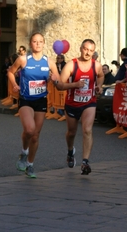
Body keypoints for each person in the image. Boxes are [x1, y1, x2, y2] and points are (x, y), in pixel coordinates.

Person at [7, 33, 60, 178]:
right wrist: (15, 85)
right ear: (30, 44)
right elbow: (11, 73)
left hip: (41, 100)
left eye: (40, 42)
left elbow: (58, 80)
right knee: (29, 130)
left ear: (44, 44)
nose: (37, 44)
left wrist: (54, 79)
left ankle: (30, 164)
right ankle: (24, 153)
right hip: (25, 99)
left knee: (36, 135)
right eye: (35, 42)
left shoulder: (49, 62)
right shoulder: (23, 59)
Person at [52, 39, 104, 175]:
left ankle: (85, 162)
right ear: (81, 48)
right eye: (86, 49)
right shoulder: (71, 65)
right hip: (72, 103)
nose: (88, 53)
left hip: (89, 102)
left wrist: (99, 85)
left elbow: (101, 75)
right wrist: (74, 85)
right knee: (71, 133)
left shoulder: (96, 65)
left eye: (91, 50)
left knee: (87, 130)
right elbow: (60, 85)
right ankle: (70, 151)